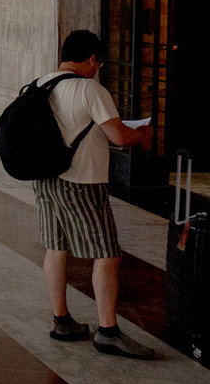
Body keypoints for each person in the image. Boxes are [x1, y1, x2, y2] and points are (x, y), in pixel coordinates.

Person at [30, 30, 156, 358]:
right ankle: (108, 331)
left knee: (56, 247)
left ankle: (61, 320)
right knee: (108, 254)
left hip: (45, 180)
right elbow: (119, 137)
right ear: (91, 59)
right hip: (82, 182)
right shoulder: (89, 89)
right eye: (97, 62)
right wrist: (142, 132)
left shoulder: (39, 84)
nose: (97, 68)